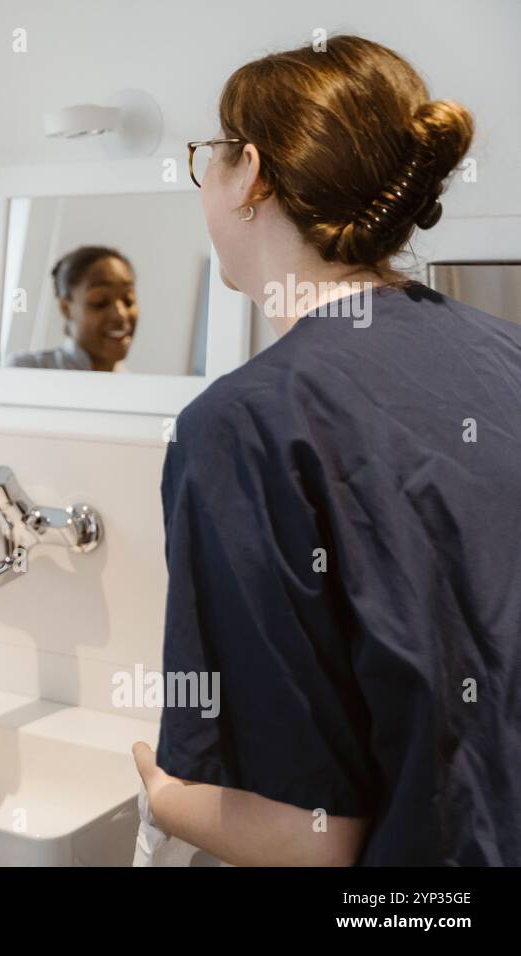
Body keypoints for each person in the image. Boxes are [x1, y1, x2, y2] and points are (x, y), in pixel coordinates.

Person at [131, 35, 520, 865]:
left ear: (254, 175)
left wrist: (164, 794)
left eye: (211, 156)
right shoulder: (507, 354)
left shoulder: (240, 427)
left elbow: (310, 838)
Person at [5, 246, 137, 371]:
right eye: (100, 303)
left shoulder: (135, 387)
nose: (120, 315)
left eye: (128, 301)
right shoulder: (26, 370)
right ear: (66, 308)